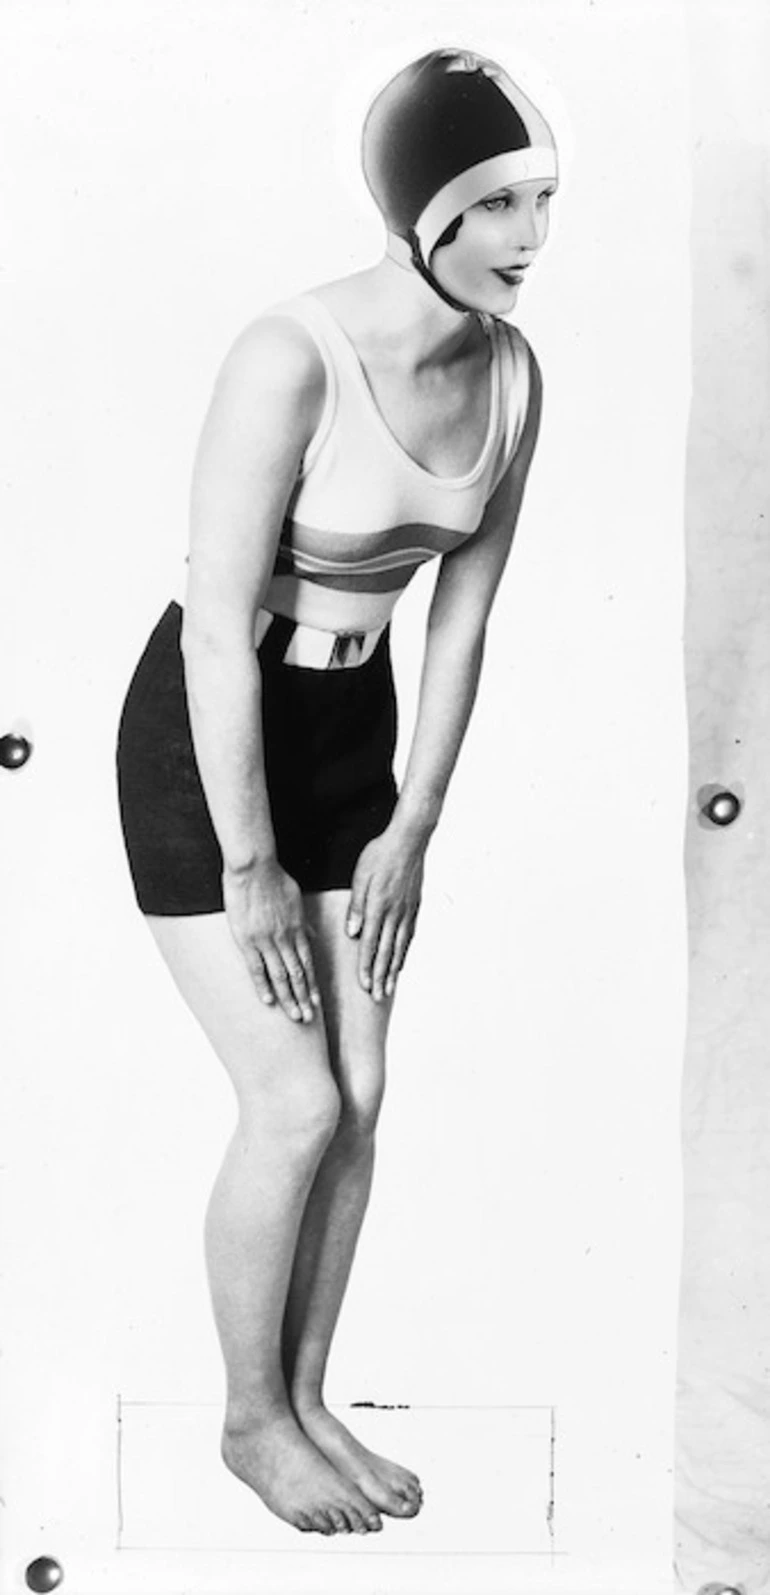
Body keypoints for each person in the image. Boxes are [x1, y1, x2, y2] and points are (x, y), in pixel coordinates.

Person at [116, 46, 558, 1539]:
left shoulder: (509, 373)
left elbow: (464, 620)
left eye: (542, 201)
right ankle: (245, 1419)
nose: (526, 238)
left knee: (362, 1098)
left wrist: (409, 829)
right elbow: (220, 625)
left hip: (354, 737)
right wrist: (250, 861)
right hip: (210, 730)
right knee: (292, 1098)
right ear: (415, 209)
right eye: (494, 202)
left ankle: (307, 1400)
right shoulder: (288, 353)